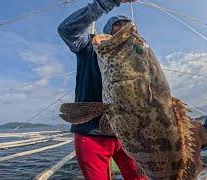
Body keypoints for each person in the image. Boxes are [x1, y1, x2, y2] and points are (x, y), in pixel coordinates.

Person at [57, 0, 147, 179]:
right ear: (107, 32)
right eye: (117, 24)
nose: (123, 27)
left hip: (129, 135)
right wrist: (108, 2)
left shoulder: (139, 56)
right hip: (91, 133)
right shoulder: (90, 46)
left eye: (127, 24)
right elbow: (67, 30)